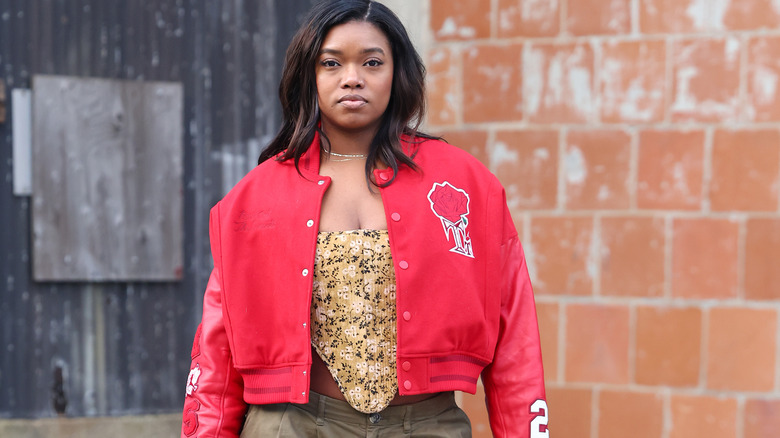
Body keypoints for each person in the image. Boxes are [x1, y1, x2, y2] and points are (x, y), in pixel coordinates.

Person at [180, 0, 547, 436]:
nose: (352, 77)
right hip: (290, 426)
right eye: (331, 63)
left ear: (398, 73)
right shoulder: (255, 195)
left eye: (372, 62)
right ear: (309, 76)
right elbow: (217, 350)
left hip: (426, 425)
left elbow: (515, 338)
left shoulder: (466, 184)